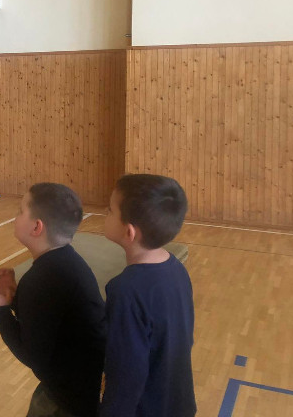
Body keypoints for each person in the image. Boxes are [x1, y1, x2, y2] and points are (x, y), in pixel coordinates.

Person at [0, 183, 106, 417]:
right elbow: (48, 318)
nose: (15, 216)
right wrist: (14, 298)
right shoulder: (65, 261)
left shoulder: (42, 279)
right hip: (76, 385)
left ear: (37, 227)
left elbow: (32, 356)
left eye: (20, 211)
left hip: (69, 400)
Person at [99, 174, 195, 417]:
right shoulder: (177, 269)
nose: (105, 214)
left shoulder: (125, 290)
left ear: (129, 232)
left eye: (110, 210)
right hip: (178, 404)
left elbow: (127, 375)